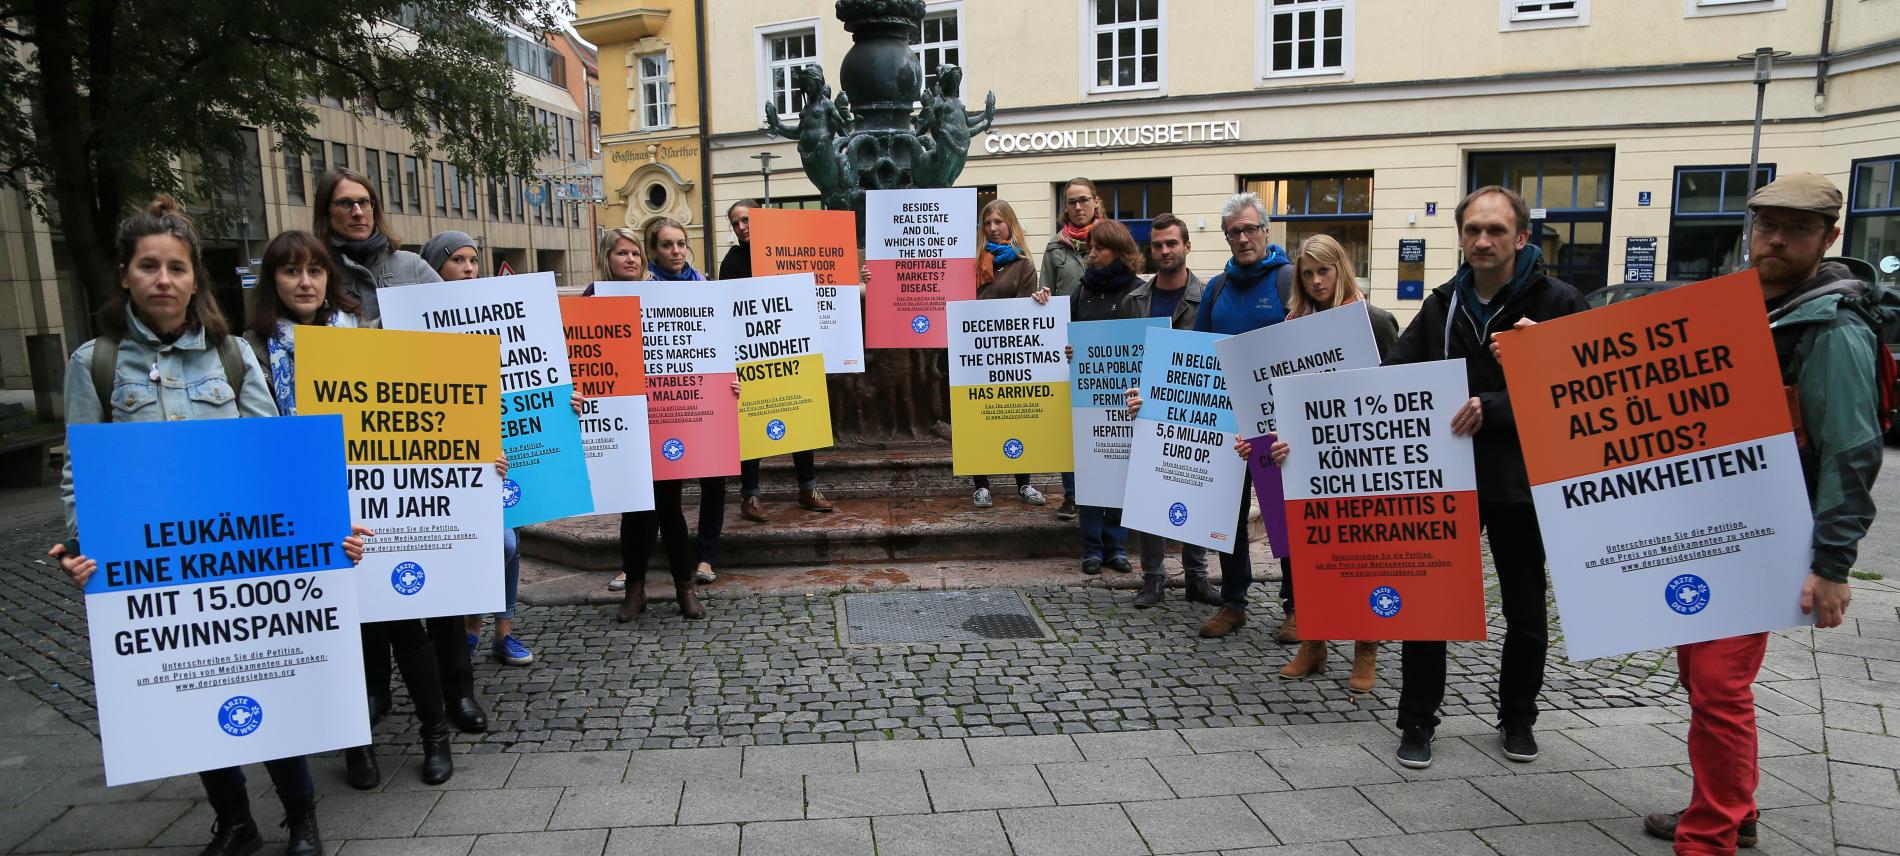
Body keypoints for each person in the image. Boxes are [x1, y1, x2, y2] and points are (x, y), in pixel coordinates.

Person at [47, 198, 369, 856]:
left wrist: (328, 533)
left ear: (196, 279)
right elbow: (83, 473)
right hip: (159, 566)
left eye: (176, 267)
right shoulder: (94, 364)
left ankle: (301, 815)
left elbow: (275, 453)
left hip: (244, 557)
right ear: (125, 275)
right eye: (148, 267)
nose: (163, 279)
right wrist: (88, 548)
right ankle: (235, 820)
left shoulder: (231, 359)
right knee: (195, 692)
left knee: (268, 690)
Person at [1642, 174, 1877, 855]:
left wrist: (1833, 566)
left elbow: (1853, 454)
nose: (1775, 238)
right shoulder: (1741, 307)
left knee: (1717, 683)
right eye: (1766, 224)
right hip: (1709, 530)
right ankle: (1731, 806)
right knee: (1701, 676)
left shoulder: (1830, 327)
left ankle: (1709, 837)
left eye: (1796, 228)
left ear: (1828, 236)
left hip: (1765, 538)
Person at [1371, 184, 1587, 769]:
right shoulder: (1442, 304)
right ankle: (1417, 720)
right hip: (1447, 480)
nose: (1483, 240)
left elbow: (1582, 391)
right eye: (1473, 230)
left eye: (1495, 230)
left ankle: (1518, 717)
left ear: (1521, 237)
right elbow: (1391, 377)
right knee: (1428, 602)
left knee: (1524, 606)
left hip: (1521, 481)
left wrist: (1497, 406)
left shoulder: (1560, 302)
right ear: (1461, 236)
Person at [243, 230, 458, 791]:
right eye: (291, 272)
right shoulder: (252, 349)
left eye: (314, 271)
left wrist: (476, 449)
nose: (305, 282)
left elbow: (416, 403)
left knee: (405, 619)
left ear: (328, 278)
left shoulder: (359, 333)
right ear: (273, 282)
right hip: (302, 502)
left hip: (375, 497)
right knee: (340, 633)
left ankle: (435, 733)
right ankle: (355, 745)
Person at [1249, 234, 1399, 691]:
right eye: (1307, 273)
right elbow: (1275, 399)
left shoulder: (1374, 320)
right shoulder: (1291, 326)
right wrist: (1267, 439)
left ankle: (1366, 649)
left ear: (1341, 269)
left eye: (1323, 271)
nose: (1316, 281)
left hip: (1360, 460)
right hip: (1302, 464)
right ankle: (1313, 643)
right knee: (1308, 556)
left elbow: (1396, 390)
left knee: (1363, 557)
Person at [420, 230, 533, 673]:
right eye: (457, 261)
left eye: (473, 260)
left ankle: (500, 631)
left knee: (509, 539)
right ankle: (466, 628)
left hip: (501, 447)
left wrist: (566, 404)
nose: (469, 268)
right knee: (476, 543)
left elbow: (530, 370)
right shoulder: (414, 319)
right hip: (443, 454)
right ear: (435, 267)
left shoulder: (495, 315)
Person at [610, 220, 714, 622]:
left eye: (634, 252)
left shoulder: (670, 295)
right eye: (623, 252)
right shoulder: (593, 298)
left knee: (670, 507)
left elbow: (704, 351)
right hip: (625, 420)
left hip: (668, 415)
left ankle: (683, 587)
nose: (630, 258)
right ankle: (635, 590)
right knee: (634, 510)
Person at [1116, 213, 1213, 609]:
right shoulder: (1134, 301)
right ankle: (1152, 579)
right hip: (1148, 414)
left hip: (1195, 415)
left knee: (1199, 491)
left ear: (1187, 246)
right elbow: (1119, 357)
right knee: (1149, 497)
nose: (1165, 251)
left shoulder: (1208, 297)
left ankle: (1197, 578)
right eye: (1157, 245)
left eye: (1172, 243)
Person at [718, 199, 835, 524]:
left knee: (801, 416)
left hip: (792, 349)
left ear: (760, 218)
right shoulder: (732, 262)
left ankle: (808, 489)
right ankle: (750, 495)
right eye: (736, 224)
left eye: (745, 220)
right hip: (752, 354)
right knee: (751, 423)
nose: (741, 228)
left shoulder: (789, 251)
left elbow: (823, 286)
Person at [971, 199, 1048, 509]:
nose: (993, 228)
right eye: (988, 222)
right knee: (976, 418)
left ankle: (1024, 482)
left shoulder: (1023, 264)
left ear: (1010, 225)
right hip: (976, 353)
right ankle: (980, 485)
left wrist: (1038, 300)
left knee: (1016, 415)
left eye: (999, 222)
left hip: (1010, 355)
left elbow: (1023, 310)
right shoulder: (972, 263)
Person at [1041, 178, 1101, 521]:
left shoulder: (1109, 239)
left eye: (1083, 201)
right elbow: (1043, 291)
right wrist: (1040, 297)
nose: (1077, 208)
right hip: (1067, 348)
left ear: (1095, 201)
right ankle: (1072, 494)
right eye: (1071, 203)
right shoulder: (1054, 248)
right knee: (1070, 427)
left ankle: (1106, 493)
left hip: (1105, 344)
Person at [312, 167, 439, 323]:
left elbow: (454, 319)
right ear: (325, 211)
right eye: (345, 203)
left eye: (364, 202)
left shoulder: (413, 266)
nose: (358, 212)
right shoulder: (313, 274)